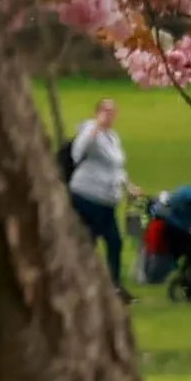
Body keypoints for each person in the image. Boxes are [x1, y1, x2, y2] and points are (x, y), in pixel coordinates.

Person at [73, 101, 134, 292]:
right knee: (88, 240)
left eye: (112, 112)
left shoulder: (113, 136)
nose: (109, 115)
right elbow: (78, 152)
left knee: (114, 242)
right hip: (87, 196)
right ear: (97, 112)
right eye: (105, 111)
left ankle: (113, 285)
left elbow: (116, 166)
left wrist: (128, 186)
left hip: (107, 200)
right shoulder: (89, 131)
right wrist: (96, 127)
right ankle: (83, 283)